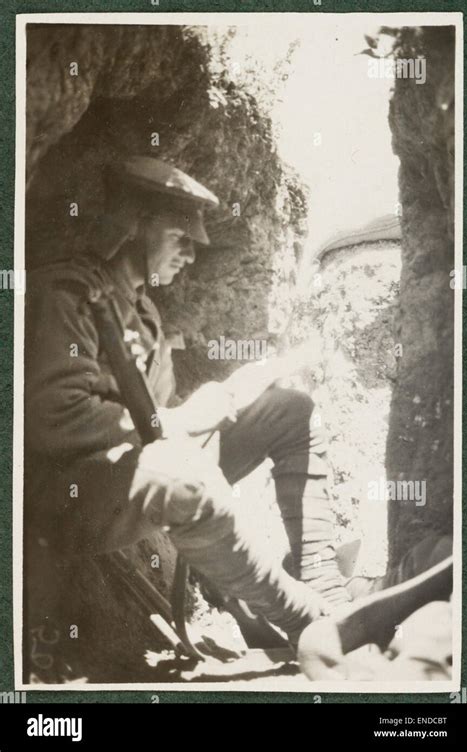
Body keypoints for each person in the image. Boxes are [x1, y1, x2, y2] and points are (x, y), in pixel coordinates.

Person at [24, 157, 352, 677]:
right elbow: (54, 420)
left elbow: (152, 424)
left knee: (290, 410)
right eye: (180, 235)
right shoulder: (66, 295)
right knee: (188, 475)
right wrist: (181, 422)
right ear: (134, 223)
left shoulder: (145, 315)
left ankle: (323, 581)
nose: (192, 252)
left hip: (131, 475)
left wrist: (223, 399)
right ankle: (309, 619)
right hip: (60, 498)